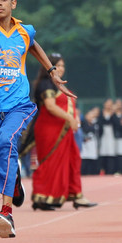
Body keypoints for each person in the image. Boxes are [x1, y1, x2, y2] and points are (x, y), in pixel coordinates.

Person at [0, 0, 73, 239]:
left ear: (13, 3)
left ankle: (5, 213)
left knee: (6, 142)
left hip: (17, 105)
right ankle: (14, 183)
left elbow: (33, 44)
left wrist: (51, 71)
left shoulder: (25, 30)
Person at [29, 55, 96, 210]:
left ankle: (76, 194)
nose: (61, 68)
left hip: (63, 129)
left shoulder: (58, 85)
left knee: (72, 160)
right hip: (49, 129)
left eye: (62, 65)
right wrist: (70, 118)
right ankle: (42, 197)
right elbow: (50, 106)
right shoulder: (46, 84)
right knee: (50, 163)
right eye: (57, 65)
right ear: (49, 66)